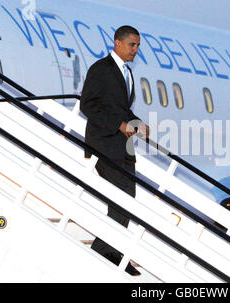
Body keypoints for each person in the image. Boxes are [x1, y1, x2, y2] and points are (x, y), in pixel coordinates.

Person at [80, 25, 149, 276]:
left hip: (124, 147)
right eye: (132, 45)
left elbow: (122, 110)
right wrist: (118, 125)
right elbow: (87, 104)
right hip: (104, 143)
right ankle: (107, 250)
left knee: (126, 200)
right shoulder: (101, 69)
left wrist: (136, 123)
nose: (136, 50)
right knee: (120, 199)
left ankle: (111, 248)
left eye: (138, 45)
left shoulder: (126, 72)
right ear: (118, 43)